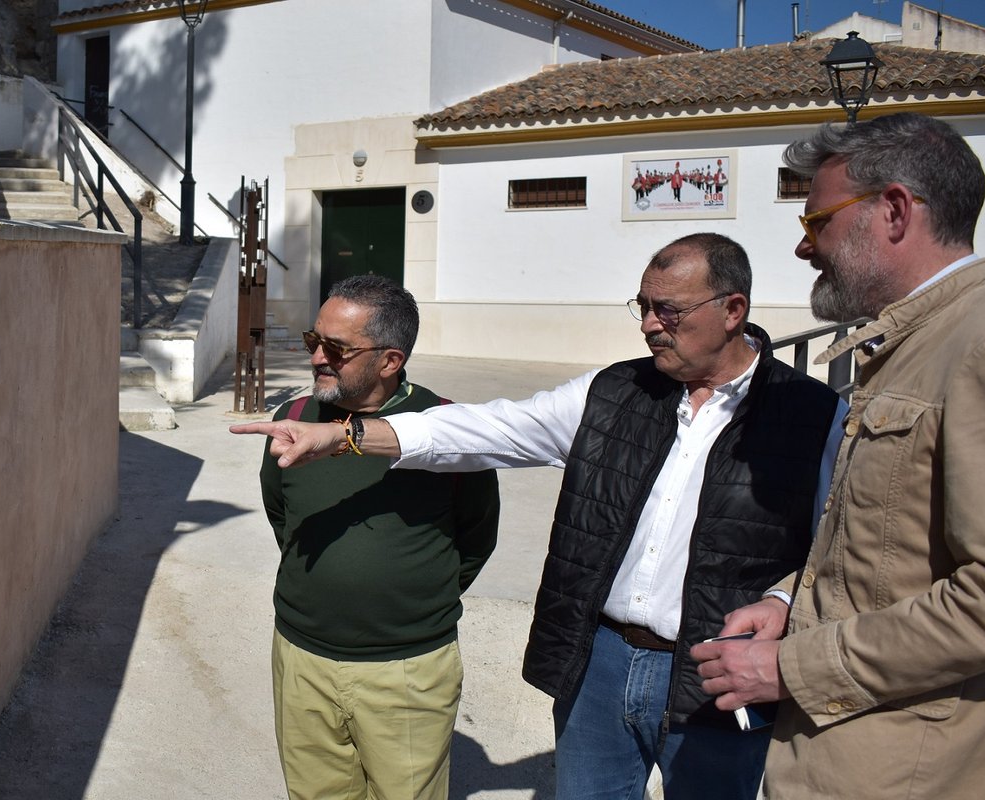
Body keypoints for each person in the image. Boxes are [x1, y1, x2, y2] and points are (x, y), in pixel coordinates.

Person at [234, 234, 845, 800]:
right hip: (599, 662)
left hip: (718, 672)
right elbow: (488, 427)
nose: (652, 326)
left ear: (733, 309)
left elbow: (841, 547)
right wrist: (345, 436)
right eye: (643, 307)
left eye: (671, 311)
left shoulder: (814, 416)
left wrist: (786, 598)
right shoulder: (611, 392)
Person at [692, 112, 985, 798]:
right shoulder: (919, 343)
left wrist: (795, 668)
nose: (804, 247)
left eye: (817, 222)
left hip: (911, 771)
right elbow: (893, 543)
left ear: (895, 211)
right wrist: (792, 597)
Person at [253, 274, 500, 800]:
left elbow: (476, 536)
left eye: (336, 349)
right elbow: (283, 516)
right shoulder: (293, 419)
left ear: (390, 361)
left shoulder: (449, 431)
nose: (317, 357)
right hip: (301, 659)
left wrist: (405, 604)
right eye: (312, 341)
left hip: (407, 671)